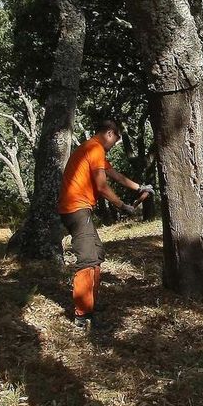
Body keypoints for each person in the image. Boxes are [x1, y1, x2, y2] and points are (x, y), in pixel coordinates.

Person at [55, 119, 153, 329]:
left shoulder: (90, 148)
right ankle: (82, 315)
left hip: (77, 208)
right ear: (110, 133)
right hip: (77, 208)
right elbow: (101, 186)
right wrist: (121, 205)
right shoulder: (95, 148)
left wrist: (139, 187)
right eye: (116, 140)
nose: (114, 144)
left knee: (96, 253)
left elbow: (113, 174)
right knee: (89, 258)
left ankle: (89, 306)